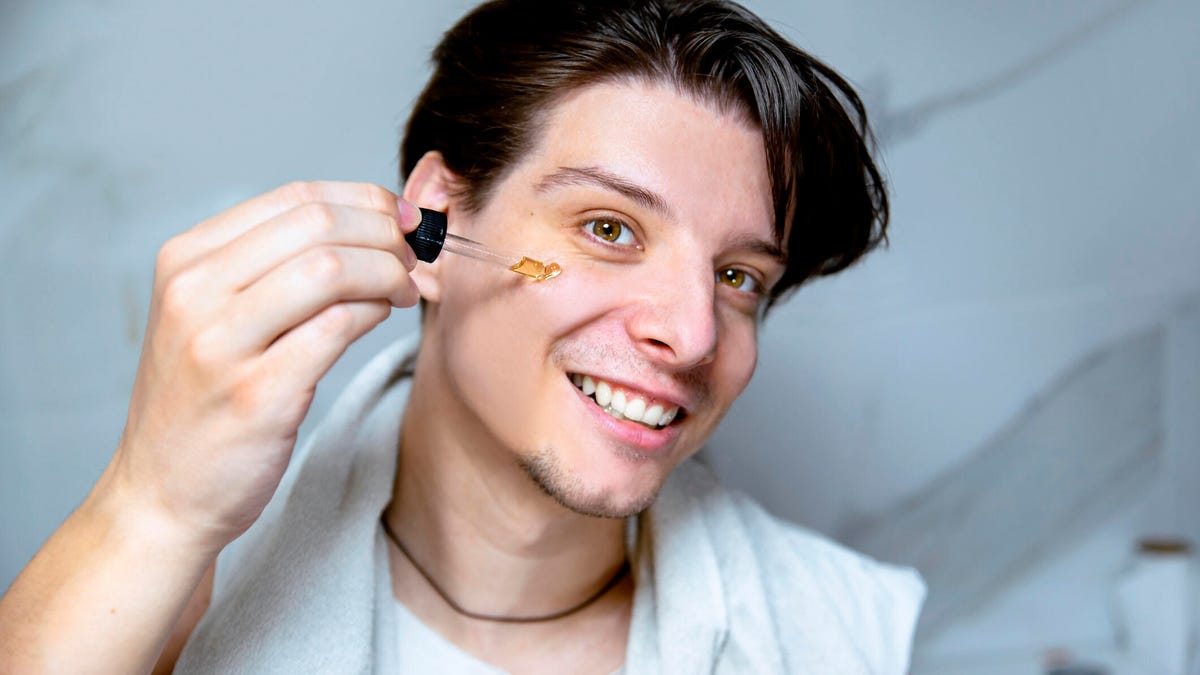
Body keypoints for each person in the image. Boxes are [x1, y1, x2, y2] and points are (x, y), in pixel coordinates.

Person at [0, 0, 924, 672]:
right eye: (608, 228)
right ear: (436, 221)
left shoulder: (842, 629)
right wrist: (149, 508)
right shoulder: (170, 594)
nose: (689, 335)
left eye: (738, 278)